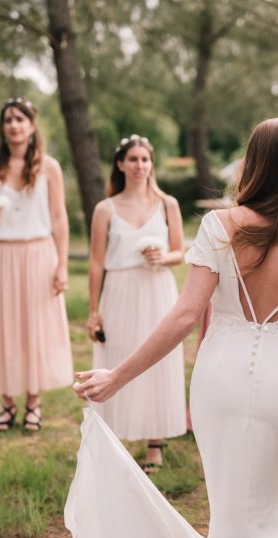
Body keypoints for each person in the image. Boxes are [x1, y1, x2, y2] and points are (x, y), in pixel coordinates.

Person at [68, 117, 278, 538]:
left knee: (229, 506)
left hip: (219, 381)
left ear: (253, 163)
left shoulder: (219, 226)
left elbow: (185, 316)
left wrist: (117, 376)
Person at [0, 97, 73, 431]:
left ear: (31, 125)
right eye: (8, 119)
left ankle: (34, 403)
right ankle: (7, 402)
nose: (14, 125)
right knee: (1, 324)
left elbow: (58, 217)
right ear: (2, 126)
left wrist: (62, 264)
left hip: (38, 253)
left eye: (20, 119)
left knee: (34, 327)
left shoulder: (49, 167)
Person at [85, 134, 187, 472]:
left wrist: (164, 256)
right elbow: (96, 261)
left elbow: (180, 251)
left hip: (157, 289)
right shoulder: (106, 209)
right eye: (133, 159)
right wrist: (93, 311)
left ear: (151, 164)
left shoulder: (167, 203)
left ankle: (154, 440)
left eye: (145, 159)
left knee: (158, 360)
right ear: (120, 164)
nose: (140, 165)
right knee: (119, 357)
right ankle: (113, 439)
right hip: (119, 290)